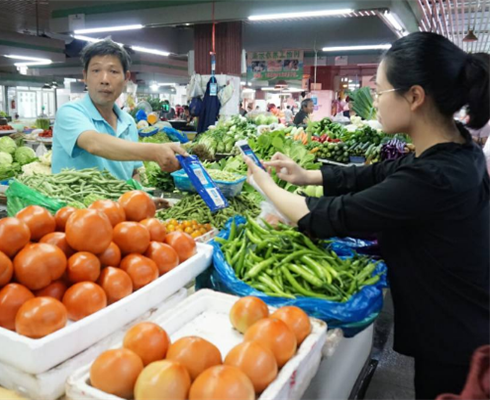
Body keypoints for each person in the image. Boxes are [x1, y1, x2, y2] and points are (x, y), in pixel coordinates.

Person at [243, 32, 489, 399]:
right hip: (458, 324)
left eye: (379, 91)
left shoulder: (437, 176)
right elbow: (375, 174)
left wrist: (267, 186)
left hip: (456, 344)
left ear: (415, 96)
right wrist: (306, 174)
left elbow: (329, 217)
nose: (374, 100)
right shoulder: (452, 152)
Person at [52, 39, 186, 180]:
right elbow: (94, 144)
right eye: (96, 71)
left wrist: (141, 198)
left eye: (113, 71)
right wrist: (154, 151)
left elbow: (133, 171)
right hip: (75, 202)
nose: (104, 79)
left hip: (119, 202)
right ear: (85, 76)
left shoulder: (128, 122)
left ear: (126, 78)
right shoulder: (70, 112)